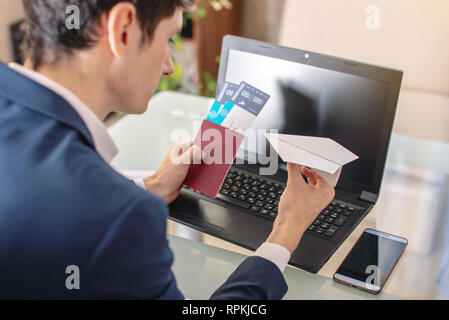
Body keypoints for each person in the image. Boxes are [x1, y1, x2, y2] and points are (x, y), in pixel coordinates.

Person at [0, 0, 334, 299]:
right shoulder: (119, 217)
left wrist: (153, 186)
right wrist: (285, 232)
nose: (169, 67)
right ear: (124, 30)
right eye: (167, 40)